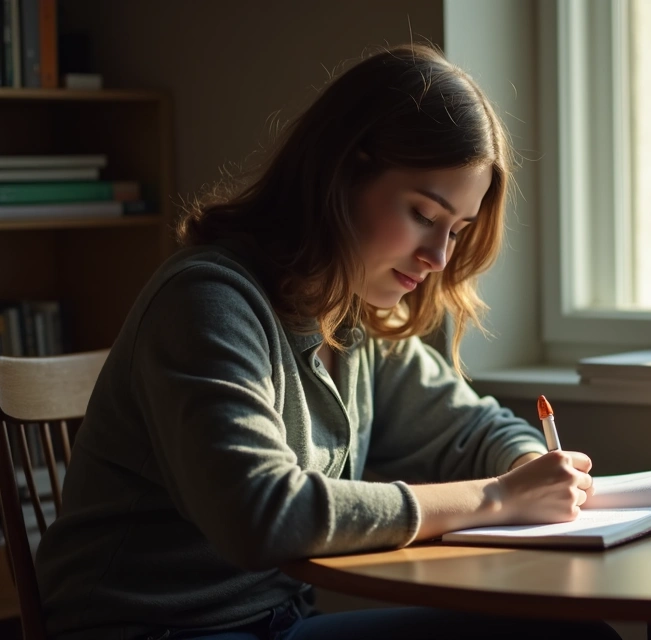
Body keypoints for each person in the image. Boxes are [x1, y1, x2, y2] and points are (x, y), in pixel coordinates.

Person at [34, 44, 620, 640]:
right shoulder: (205, 301)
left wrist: (530, 467)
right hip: (156, 631)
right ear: (343, 172)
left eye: (456, 230)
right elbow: (261, 514)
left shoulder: (354, 317)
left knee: (568, 631)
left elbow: (472, 429)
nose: (439, 257)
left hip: (279, 623)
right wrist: (499, 498)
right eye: (423, 213)